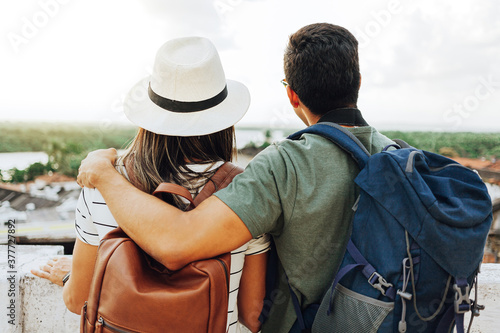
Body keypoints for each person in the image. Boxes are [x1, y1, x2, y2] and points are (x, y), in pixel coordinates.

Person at [76, 23, 395, 333]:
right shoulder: (399, 157)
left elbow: (174, 242)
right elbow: (252, 314)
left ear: (292, 95)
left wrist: (104, 177)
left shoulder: (281, 166)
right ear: (359, 82)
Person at [31, 36, 270, 333]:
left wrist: (72, 277)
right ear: (224, 120)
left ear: (150, 118)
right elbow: (253, 312)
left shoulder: (102, 183)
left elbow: (78, 298)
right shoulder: (246, 191)